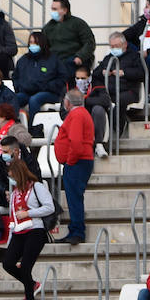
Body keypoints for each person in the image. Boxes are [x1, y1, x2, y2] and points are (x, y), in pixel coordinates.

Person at [2, 158, 54, 300]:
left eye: (12, 176)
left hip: (35, 230)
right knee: (7, 263)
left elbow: (49, 207)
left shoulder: (37, 187)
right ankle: (31, 284)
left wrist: (29, 213)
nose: (11, 179)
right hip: (18, 231)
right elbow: (13, 217)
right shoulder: (14, 193)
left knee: (25, 266)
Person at [52, 88, 93, 243]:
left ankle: (77, 232)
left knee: (74, 198)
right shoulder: (81, 114)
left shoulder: (77, 115)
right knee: (74, 198)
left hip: (77, 162)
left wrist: (70, 161)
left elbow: (75, 142)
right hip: (79, 161)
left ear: (67, 103)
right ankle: (74, 231)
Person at [90, 32, 144, 137]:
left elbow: (141, 73)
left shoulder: (134, 56)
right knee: (97, 102)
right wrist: (102, 73)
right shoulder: (108, 58)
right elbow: (95, 74)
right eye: (112, 46)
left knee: (119, 101)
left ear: (125, 45)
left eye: (117, 46)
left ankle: (117, 130)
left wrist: (125, 73)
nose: (114, 49)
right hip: (109, 91)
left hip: (128, 90)